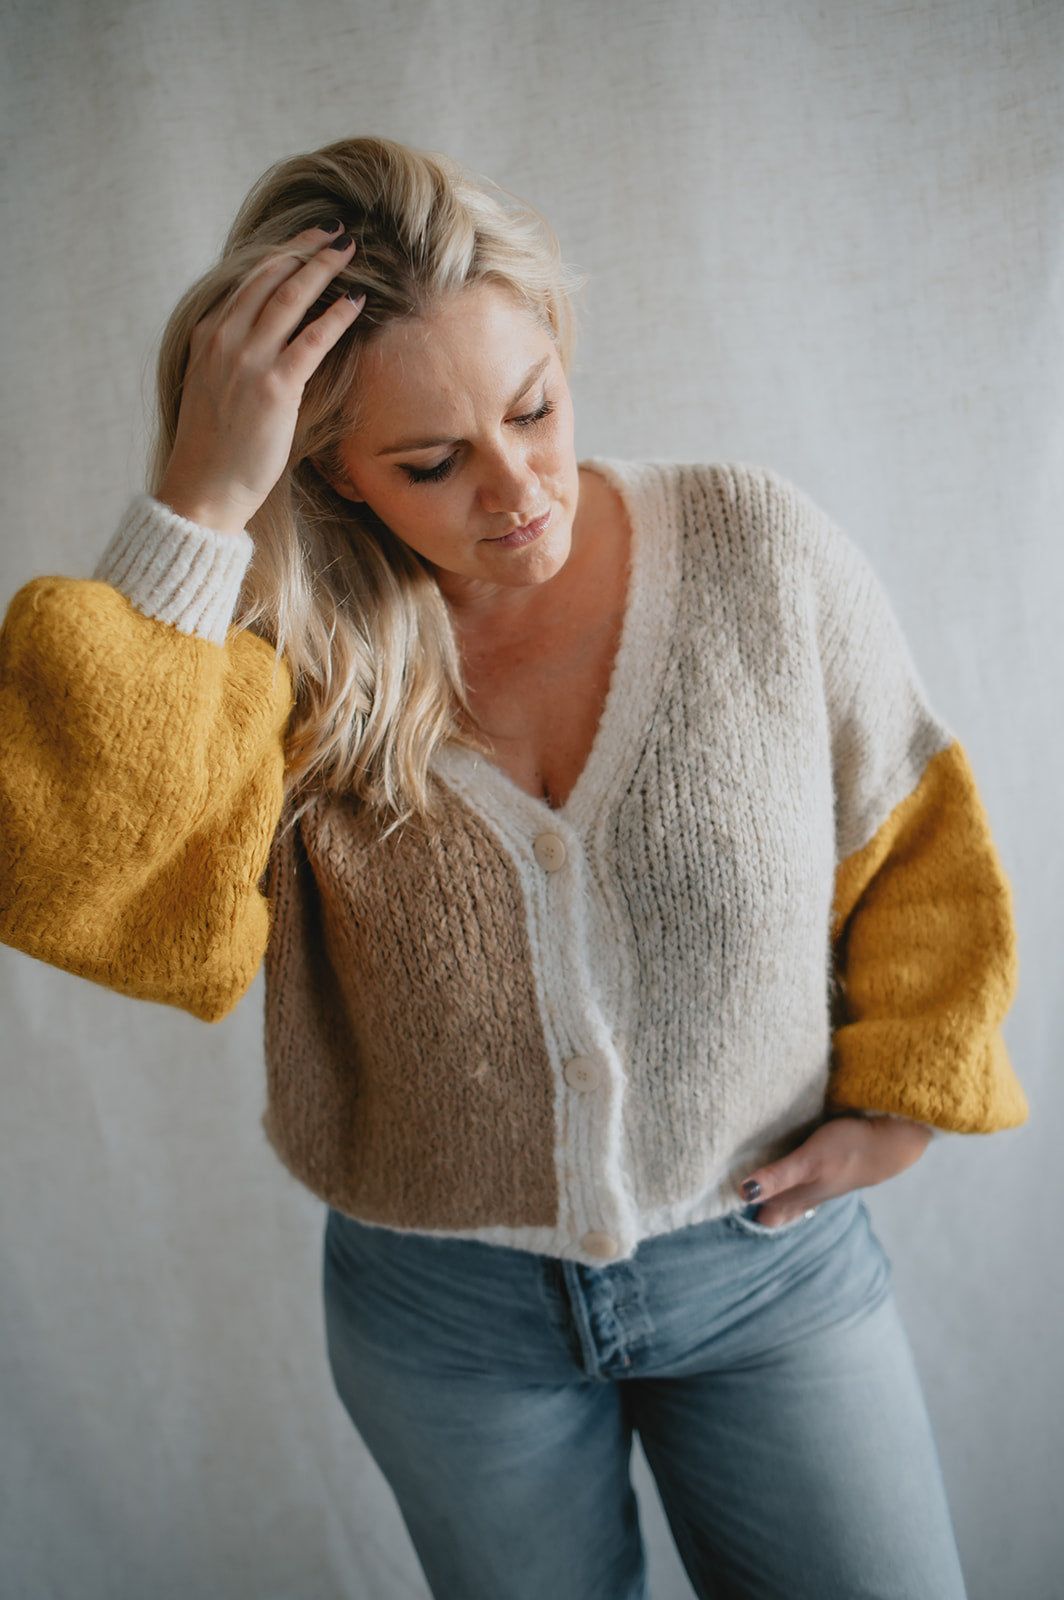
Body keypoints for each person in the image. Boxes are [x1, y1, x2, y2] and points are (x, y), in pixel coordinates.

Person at [0, 136, 1027, 1600]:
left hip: (766, 1265)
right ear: (331, 467)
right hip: (443, 1321)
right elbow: (78, 885)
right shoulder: (276, 664)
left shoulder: (753, 553)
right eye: (431, 463)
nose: (517, 487)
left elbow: (911, 835)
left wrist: (914, 1090)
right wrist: (198, 513)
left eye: (534, 407)